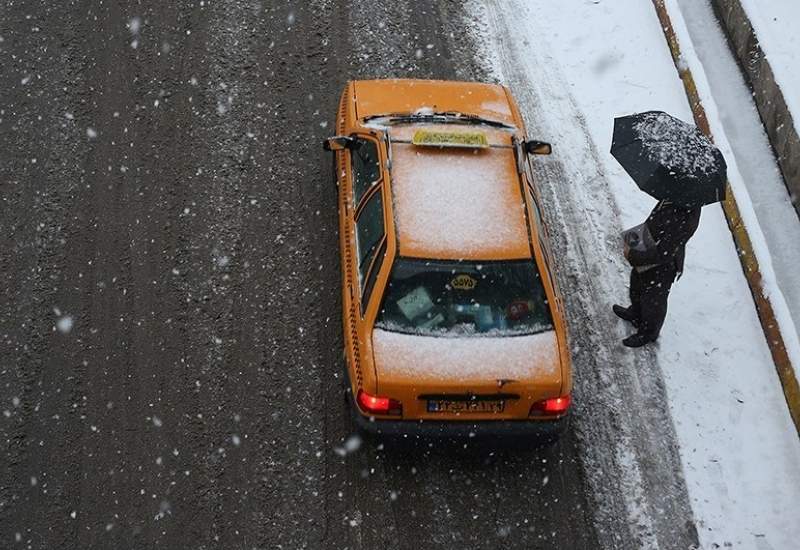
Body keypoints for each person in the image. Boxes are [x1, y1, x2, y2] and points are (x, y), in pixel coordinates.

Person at [614, 199, 701, 347]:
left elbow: (663, 253)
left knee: (653, 300)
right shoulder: (674, 197)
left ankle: (648, 333)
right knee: (637, 282)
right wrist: (634, 240)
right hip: (650, 243)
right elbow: (654, 221)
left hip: (663, 265)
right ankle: (636, 313)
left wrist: (633, 255)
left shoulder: (685, 218)